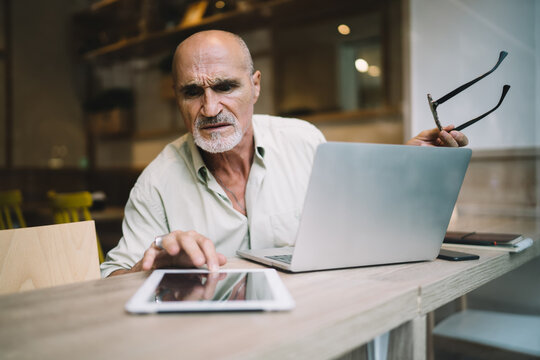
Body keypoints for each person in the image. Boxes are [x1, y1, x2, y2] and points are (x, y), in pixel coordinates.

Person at [100, 30, 468, 278]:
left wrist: (404, 172)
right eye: (193, 92)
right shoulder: (156, 183)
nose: (210, 108)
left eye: (226, 86)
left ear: (255, 86)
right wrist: (151, 269)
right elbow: (110, 280)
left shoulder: (303, 140)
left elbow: (350, 226)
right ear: (177, 98)